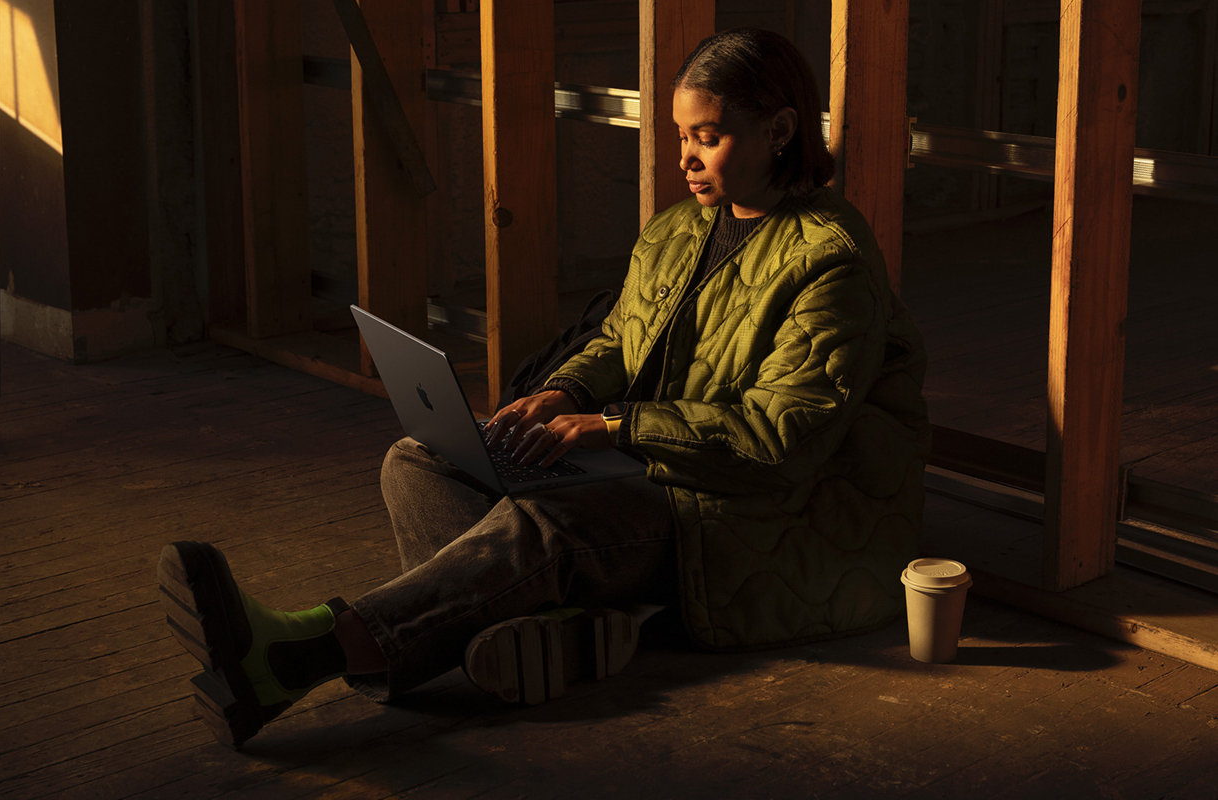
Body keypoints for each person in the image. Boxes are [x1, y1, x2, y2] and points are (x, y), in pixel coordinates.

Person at [158, 27, 930, 749]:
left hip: (748, 513)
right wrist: (563, 396)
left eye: (708, 137)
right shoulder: (677, 230)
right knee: (417, 460)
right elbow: (618, 341)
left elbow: (781, 443)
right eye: (680, 136)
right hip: (658, 469)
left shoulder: (829, 261)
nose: (686, 159)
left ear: (781, 133)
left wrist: (615, 428)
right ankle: (555, 625)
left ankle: (302, 655)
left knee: (549, 522)